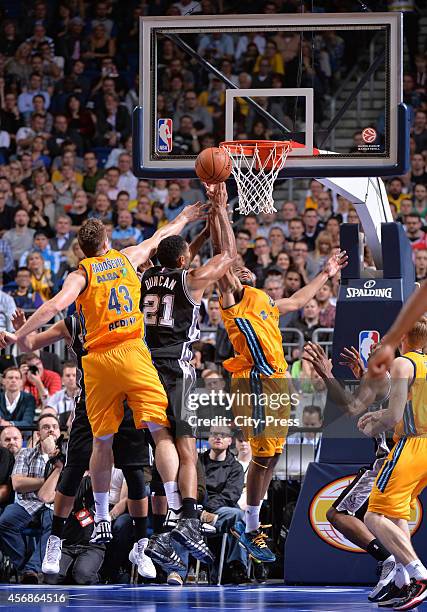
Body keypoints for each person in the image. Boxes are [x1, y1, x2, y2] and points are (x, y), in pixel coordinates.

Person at [0, 201, 207, 556]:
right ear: (107, 239)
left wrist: (19, 335)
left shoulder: (80, 275)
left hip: (97, 362)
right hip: (132, 352)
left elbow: (52, 307)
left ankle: (100, 517)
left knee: (102, 442)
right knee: (160, 432)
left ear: (82, 249)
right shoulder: (127, 258)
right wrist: (185, 218)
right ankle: (175, 511)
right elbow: (160, 238)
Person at [208, 184, 347, 562]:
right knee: (262, 455)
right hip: (254, 382)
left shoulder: (266, 300)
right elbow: (225, 252)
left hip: (278, 380)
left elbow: (300, 299)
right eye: (235, 269)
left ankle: (252, 523)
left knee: (272, 456)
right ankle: (251, 526)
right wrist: (221, 209)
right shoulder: (233, 298)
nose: (241, 268)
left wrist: (327, 273)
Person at [10, 310, 157, 581]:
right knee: (73, 467)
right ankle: (55, 540)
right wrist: (22, 333)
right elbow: (30, 345)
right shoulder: (74, 321)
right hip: (92, 400)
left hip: (128, 398)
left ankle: (140, 545)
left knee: (136, 473)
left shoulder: (129, 309)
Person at [141, 184, 235, 571]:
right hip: (177, 368)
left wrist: (197, 230)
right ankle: (192, 517)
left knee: (160, 438)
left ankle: (173, 511)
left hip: (144, 367)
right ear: (183, 261)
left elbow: (178, 260)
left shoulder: (146, 277)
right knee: (186, 445)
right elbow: (227, 256)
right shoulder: (191, 279)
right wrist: (220, 211)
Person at [359, 319, 427, 610]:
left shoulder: (403, 364)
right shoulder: (424, 363)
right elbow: (404, 403)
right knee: (397, 514)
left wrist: (373, 423)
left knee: (374, 516)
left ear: (402, 338)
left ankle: (419, 575)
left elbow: (395, 414)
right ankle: (402, 582)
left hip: (412, 445)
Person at [0, 414, 64, 583]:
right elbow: (18, 484)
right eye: (46, 427)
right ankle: (28, 567)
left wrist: (37, 483)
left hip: (53, 504)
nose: (51, 430)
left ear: (59, 431)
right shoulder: (25, 453)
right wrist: (48, 481)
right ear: (38, 433)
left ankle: (30, 570)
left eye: (54, 427)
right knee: (4, 521)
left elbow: (67, 486)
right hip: (26, 503)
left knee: (55, 523)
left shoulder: (69, 457)